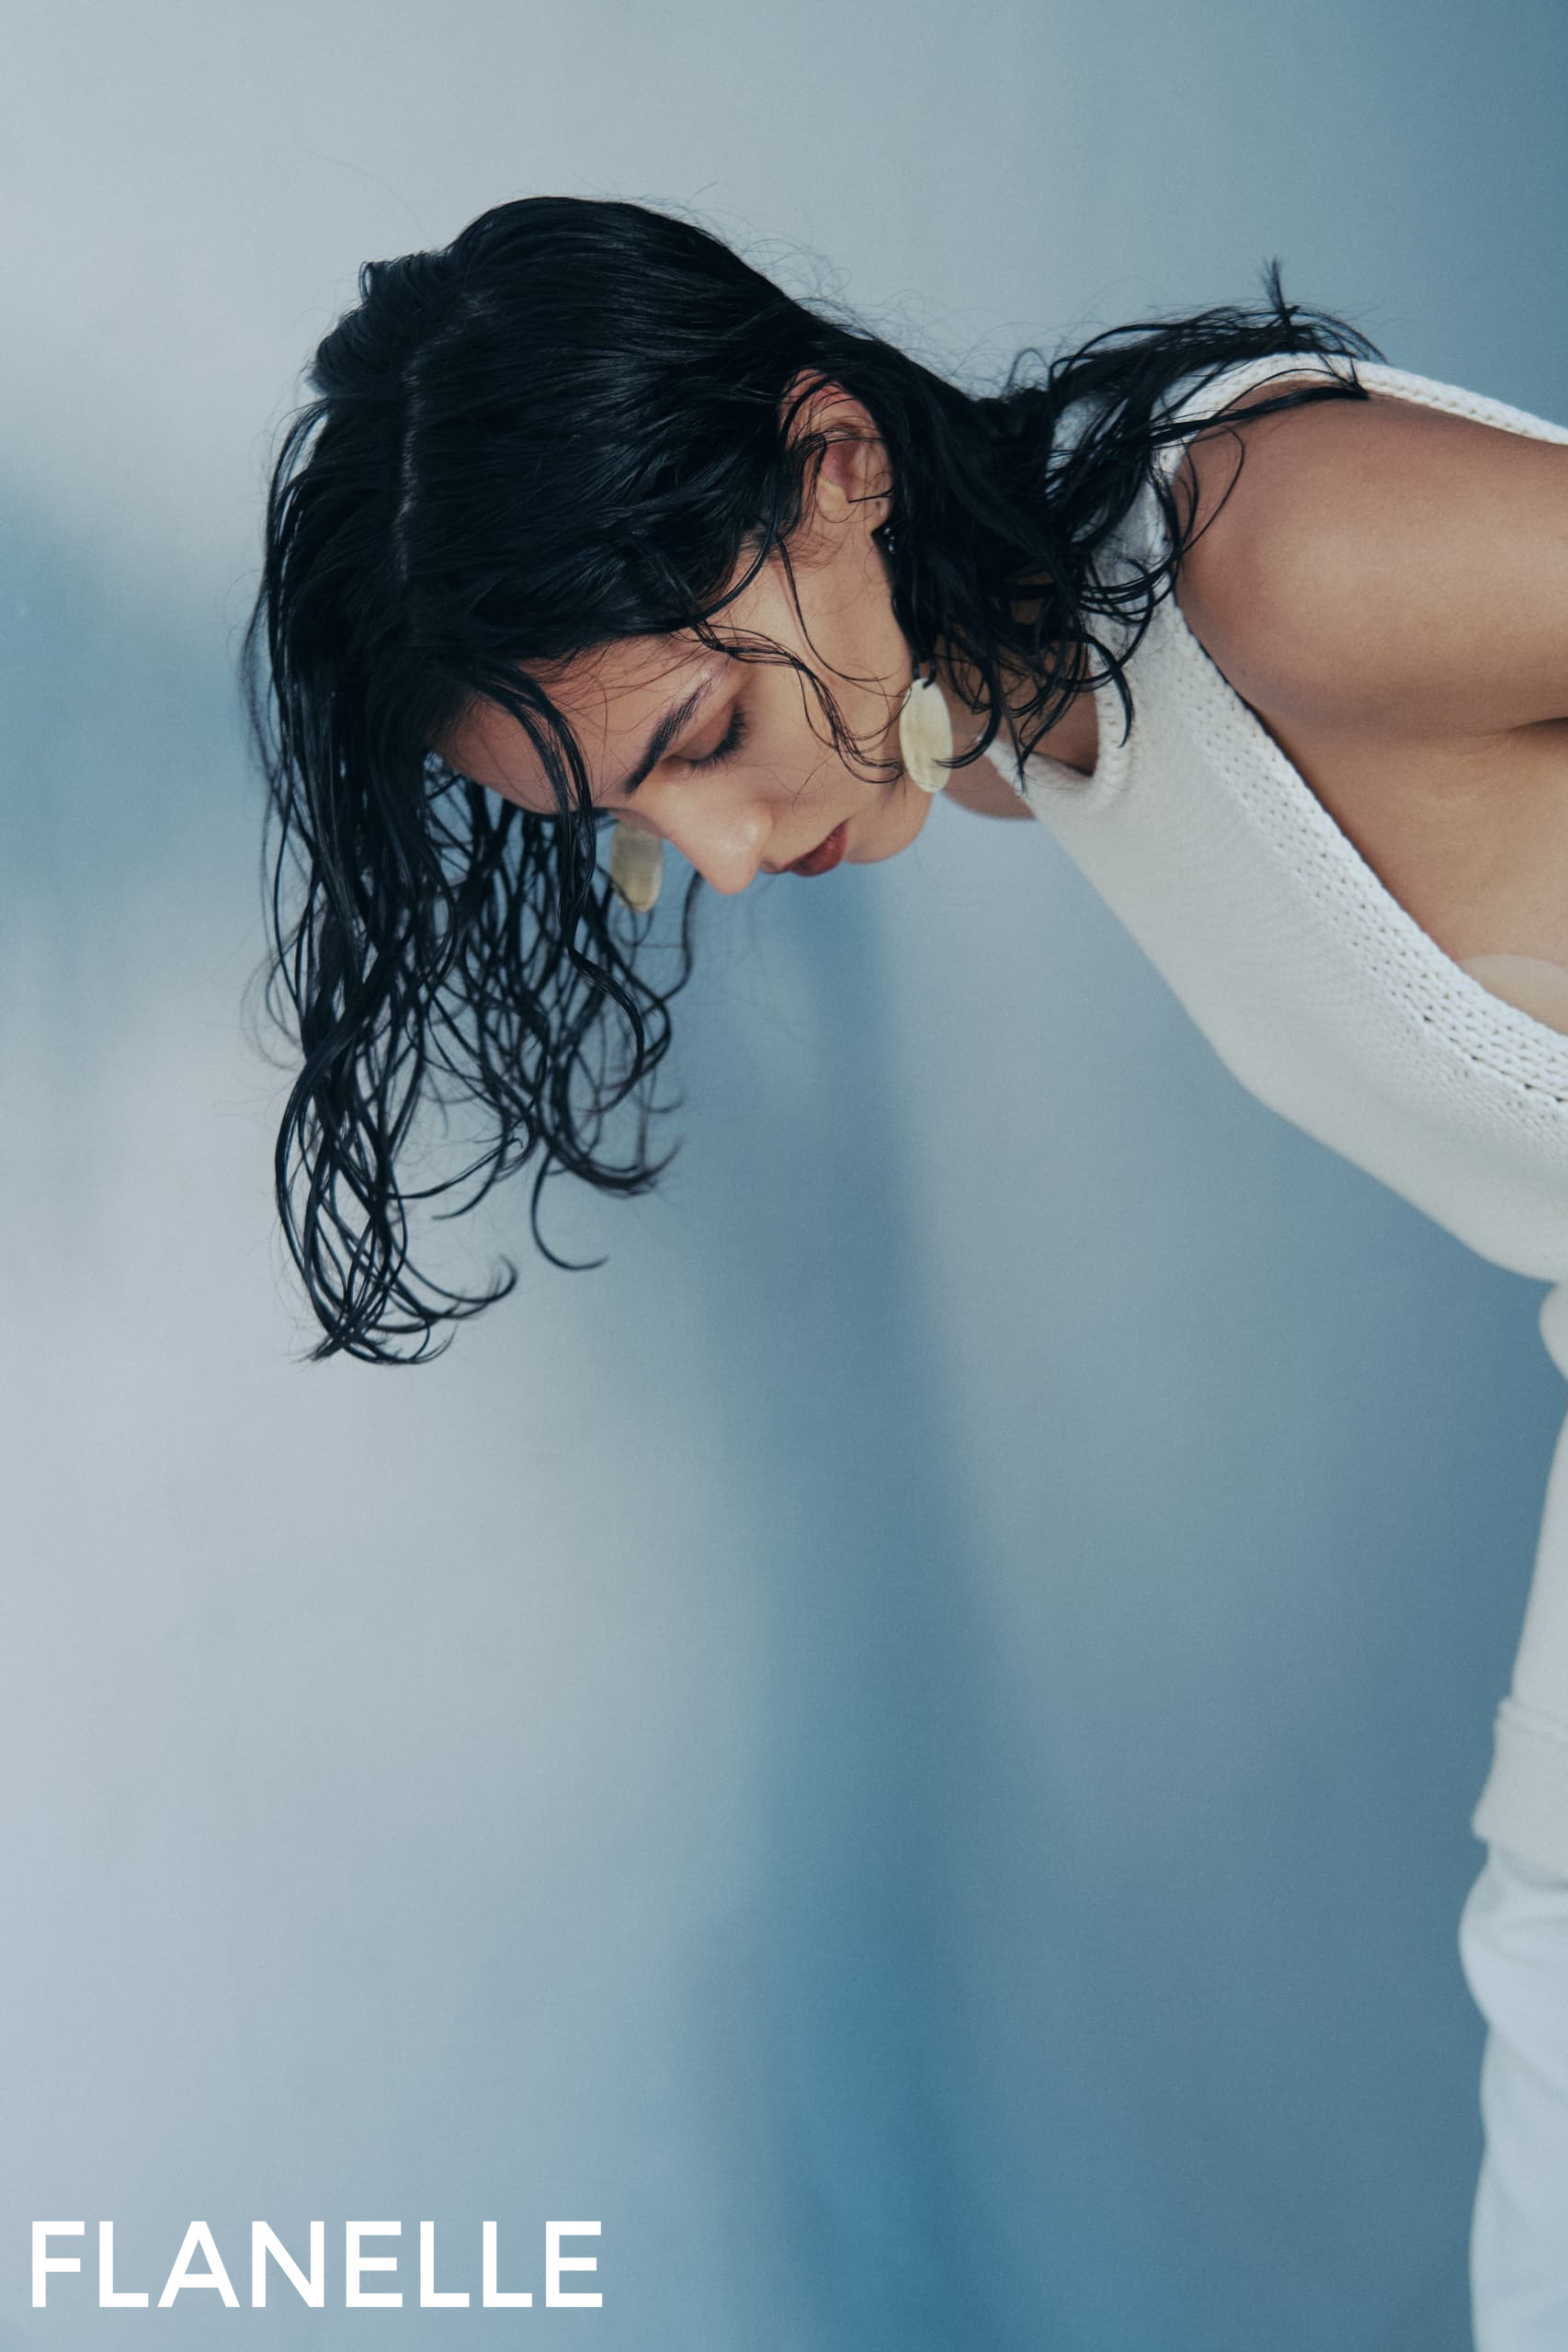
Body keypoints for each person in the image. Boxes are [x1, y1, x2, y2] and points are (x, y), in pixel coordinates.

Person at [246, 195, 1568, 2346]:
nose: (726, 857)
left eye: (690, 746)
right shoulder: (1047, 723)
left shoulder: (1281, 559)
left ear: (835, 461)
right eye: (634, 822)